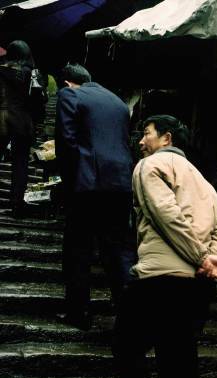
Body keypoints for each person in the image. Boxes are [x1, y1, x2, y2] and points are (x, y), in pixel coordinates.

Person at [113, 115, 217, 378]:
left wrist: (205, 258)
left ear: (166, 139)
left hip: (160, 280)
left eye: (147, 134)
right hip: (196, 286)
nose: (141, 142)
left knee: (125, 346)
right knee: (179, 359)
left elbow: (167, 216)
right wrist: (214, 258)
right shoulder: (203, 179)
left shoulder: (149, 165)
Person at [55, 63, 135, 330]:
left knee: (78, 248)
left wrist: (67, 183)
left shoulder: (70, 96)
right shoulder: (118, 102)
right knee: (117, 250)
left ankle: (78, 312)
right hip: (121, 183)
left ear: (67, 83)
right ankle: (129, 313)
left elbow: (66, 141)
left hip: (87, 183)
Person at [0, 40, 47, 217]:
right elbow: (39, 100)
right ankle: (16, 205)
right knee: (20, 164)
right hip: (22, 121)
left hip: (1, 118)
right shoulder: (31, 73)